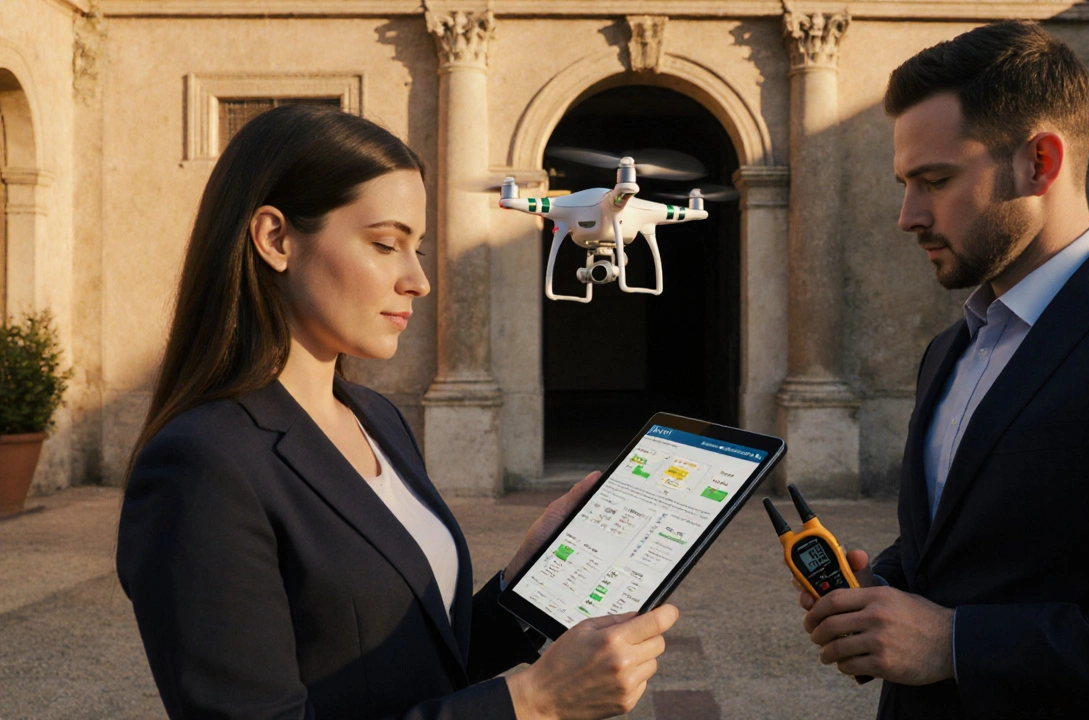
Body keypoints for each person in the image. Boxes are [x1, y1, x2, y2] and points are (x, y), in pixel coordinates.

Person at [116, 104, 677, 720]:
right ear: (275, 239)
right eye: (385, 244)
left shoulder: (375, 417)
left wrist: (525, 583)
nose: (418, 280)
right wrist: (534, 703)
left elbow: (417, 657)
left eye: (419, 248)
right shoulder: (203, 464)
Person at [797, 20, 1089, 719]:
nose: (907, 216)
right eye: (905, 183)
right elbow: (970, 543)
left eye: (933, 180)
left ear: (1040, 163)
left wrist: (957, 644)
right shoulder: (951, 347)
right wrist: (881, 586)